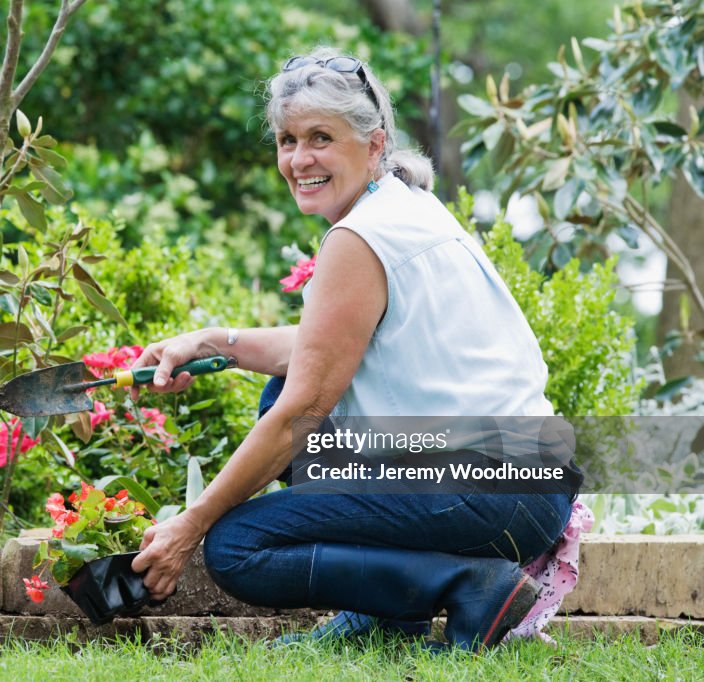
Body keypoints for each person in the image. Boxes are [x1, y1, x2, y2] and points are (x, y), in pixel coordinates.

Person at [128, 47, 577, 651]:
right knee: (277, 390)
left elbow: (300, 412)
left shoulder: (359, 236)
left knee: (237, 547)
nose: (299, 159)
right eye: (287, 140)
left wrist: (191, 525)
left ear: (372, 145)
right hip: (524, 486)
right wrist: (214, 343)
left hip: (488, 492)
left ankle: (472, 586)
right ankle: (387, 616)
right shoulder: (406, 207)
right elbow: (325, 348)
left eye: (320, 137)